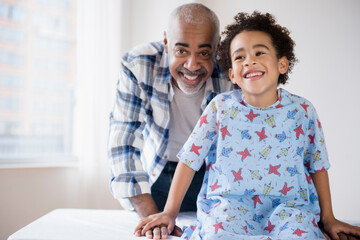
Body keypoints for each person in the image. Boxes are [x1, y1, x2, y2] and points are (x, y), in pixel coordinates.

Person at [134, 11, 360, 239]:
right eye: (240, 57)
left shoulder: (303, 111)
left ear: (282, 64)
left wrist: (328, 218)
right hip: (230, 207)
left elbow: (317, 165)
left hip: (289, 208)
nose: (249, 60)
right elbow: (189, 159)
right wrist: (170, 212)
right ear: (232, 74)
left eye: (259, 52)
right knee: (216, 234)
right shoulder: (220, 108)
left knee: (302, 235)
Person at [107, 3, 233, 239]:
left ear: (216, 48)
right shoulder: (139, 64)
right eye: (181, 51)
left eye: (204, 53)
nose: (192, 65)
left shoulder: (232, 71)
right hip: (158, 176)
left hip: (212, 178)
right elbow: (123, 144)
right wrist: (153, 220)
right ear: (166, 43)